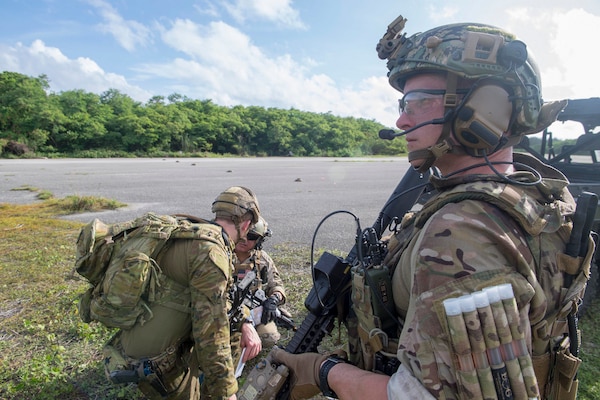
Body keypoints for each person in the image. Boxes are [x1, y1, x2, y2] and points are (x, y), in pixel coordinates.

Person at [271, 15, 592, 400]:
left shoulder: (463, 228)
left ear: (485, 109)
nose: (400, 119)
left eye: (418, 103)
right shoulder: (531, 195)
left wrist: (325, 372)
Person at [109, 186, 263, 400]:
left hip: (137, 335)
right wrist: (226, 392)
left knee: (234, 330)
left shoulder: (191, 232)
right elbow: (210, 331)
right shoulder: (211, 254)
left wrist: (245, 321)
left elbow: (215, 303)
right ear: (245, 224)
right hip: (156, 359)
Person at [233, 216, 288, 347]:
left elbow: (276, 284)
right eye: (242, 233)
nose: (245, 239)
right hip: (224, 309)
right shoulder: (223, 254)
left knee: (269, 337)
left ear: (259, 239)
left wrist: (273, 300)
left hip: (252, 311)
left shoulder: (262, 260)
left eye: (251, 236)